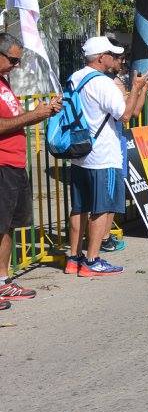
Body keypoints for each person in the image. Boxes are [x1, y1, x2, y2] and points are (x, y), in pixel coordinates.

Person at [65, 36, 148, 277]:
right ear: (101, 57)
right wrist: (136, 88)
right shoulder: (102, 83)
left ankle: (74, 259)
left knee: (79, 207)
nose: (116, 59)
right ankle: (92, 260)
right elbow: (125, 115)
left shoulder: (74, 78)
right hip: (103, 155)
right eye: (112, 55)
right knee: (101, 208)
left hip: (80, 153)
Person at [0, 34, 61, 305]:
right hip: (2, 165)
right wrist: (34, 115)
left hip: (14, 163)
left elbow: (11, 119)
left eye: (18, 60)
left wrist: (39, 111)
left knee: (9, 227)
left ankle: (2, 281)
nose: (16, 65)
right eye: (13, 60)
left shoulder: (4, 82)